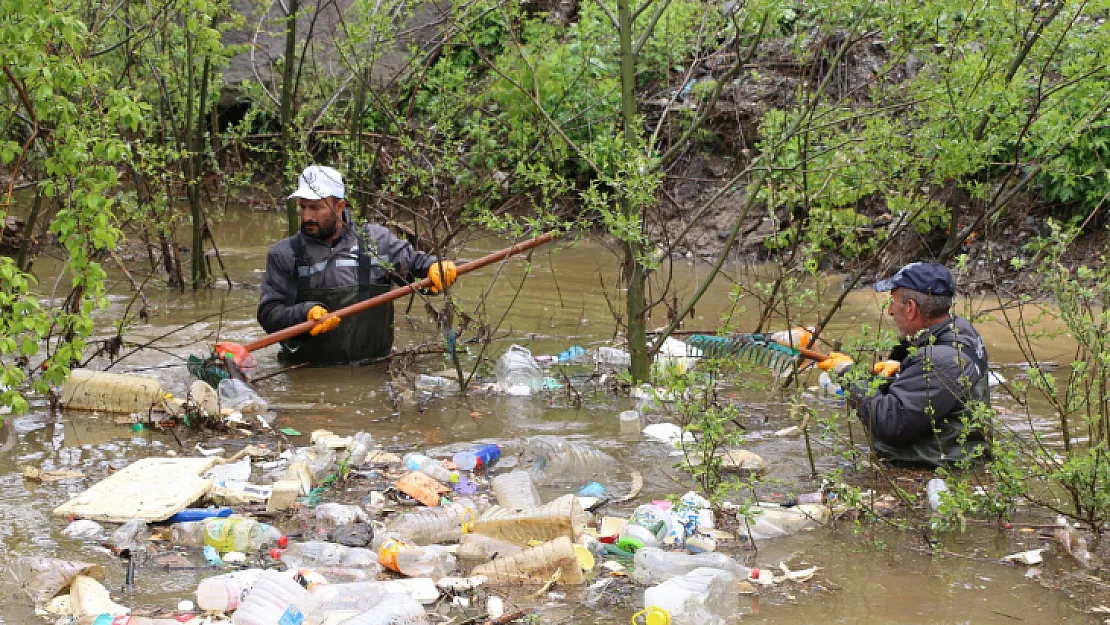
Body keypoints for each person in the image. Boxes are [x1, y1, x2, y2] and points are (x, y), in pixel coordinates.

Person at [257, 165, 457, 364]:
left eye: (316, 207)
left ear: (339, 206)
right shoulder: (284, 254)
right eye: (303, 207)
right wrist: (304, 314)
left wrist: (435, 266)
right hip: (307, 371)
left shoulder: (377, 241)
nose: (307, 216)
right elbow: (269, 315)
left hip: (375, 367)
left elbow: (415, 266)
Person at [818, 262, 990, 466]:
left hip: (940, 466)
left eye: (893, 301)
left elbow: (890, 424)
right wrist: (901, 367)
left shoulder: (938, 361)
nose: (890, 311)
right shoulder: (960, 330)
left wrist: (849, 374)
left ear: (911, 308)